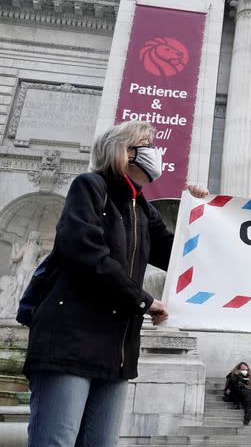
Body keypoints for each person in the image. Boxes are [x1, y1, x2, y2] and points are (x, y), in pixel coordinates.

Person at [23, 121, 209, 447]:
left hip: (117, 349)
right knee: (56, 442)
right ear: (123, 151)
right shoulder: (90, 187)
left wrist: (199, 212)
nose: (155, 152)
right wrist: (142, 300)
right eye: (146, 144)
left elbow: (180, 254)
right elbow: (85, 252)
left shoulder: (143, 209)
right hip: (69, 340)